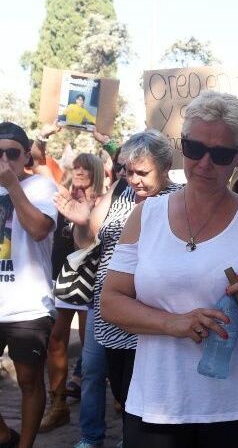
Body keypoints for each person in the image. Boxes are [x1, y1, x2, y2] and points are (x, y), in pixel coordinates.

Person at [101, 91, 238, 446]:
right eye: (194, 149)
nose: (204, 164)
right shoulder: (146, 215)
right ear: (182, 145)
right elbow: (110, 302)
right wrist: (173, 323)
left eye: (221, 154)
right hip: (157, 403)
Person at [54, 131, 181, 448]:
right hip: (106, 305)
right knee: (98, 374)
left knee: (140, 385)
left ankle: (133, 439)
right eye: (128, 170)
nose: (134, 179)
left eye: (142, 172)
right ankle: (91, 437)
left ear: (164, 168)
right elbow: (87, 242)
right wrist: (81, 223)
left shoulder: (179, 199)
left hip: (150, 309)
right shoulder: (121, 192)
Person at [0, 122, 58, 448]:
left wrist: (11, 186)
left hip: (28, 305)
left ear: (25, 156)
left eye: (12, 153)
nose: (5, 159)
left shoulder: (41, 187)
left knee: (29, 381)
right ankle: (4, 435)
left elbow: (38, 229)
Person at [39, 153, 104, 433]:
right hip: (65, 277)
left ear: (96, 172)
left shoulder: (104, 201)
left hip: (93, 278)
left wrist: (85, 216)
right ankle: (58, 404)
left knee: (91, 355)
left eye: (85, 167)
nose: (79, 171)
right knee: (56, 339)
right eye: (76, 166)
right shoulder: (61, 195)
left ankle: (94, 419)